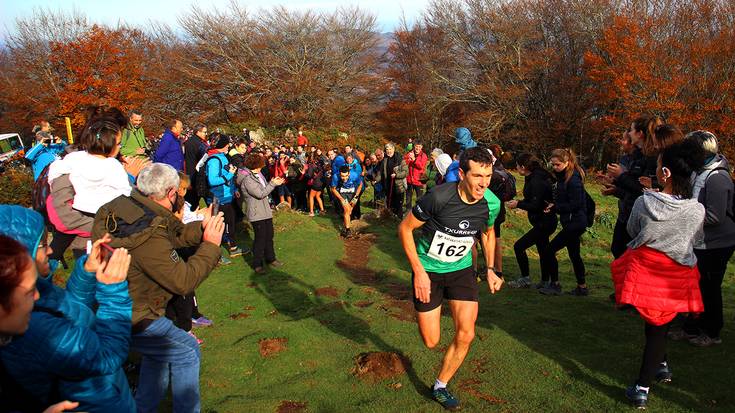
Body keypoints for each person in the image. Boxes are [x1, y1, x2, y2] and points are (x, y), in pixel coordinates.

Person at [92, 163, 225, 413]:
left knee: (159, 356)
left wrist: (201, 229)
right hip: (138, 313)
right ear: (172, 192)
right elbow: (183, 281)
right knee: (187, 351)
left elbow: (171, 234)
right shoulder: (149, 235)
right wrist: (211, 246)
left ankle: (144, 408)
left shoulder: (123, 207)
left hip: (114, 303)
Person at [0, 205, 134, 412]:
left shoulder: (37, 294)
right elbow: (107, 354)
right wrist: (113, 293)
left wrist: (87, 272)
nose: (52, 249)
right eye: (43, 245)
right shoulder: (36, 329)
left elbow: (71, 311)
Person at [398, 147, 502, 411]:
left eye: (488, 176)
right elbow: (405, 228)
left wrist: (490, 269)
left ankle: (440, 385)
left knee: (466, 334)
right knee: (431, 341)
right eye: (478, 176)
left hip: (461, 270)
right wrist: (419, 272)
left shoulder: (491, 202)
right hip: (429, 271)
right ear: (462, 174)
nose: (484, 183)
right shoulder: (439, 197)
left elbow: (488, 233)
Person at [611, 139, 705, 409]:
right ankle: (661, 364)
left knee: (655, 328)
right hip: (677, 274)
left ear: (665, 173)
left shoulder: (645, 202)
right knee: (659, 324)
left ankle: (642, 386)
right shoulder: (696, 210)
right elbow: (696, 240)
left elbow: (632, 229)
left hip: (649, 270)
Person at [675, 131, 735, 347]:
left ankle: (712, 331)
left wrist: (684, 216)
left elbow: (715, 216)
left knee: (709, 288)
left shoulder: (717, 177)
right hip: (700, 240)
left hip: (716, 243)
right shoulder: (698, 172)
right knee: (695, 286)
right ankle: (691, 328)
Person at [604, 116, 662, 258]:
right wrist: (616, 184)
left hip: (640, 215)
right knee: (618, 250)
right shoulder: (638, 155)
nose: (629, 134)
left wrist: (621, 176)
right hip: (628, 212)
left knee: (626, 254)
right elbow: (634, 184)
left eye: (631, 130)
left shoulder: (652, 158)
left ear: (640, 134)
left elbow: (643, 189)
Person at [540, 148, 589, 296]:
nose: (554, 168)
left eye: (557, 165)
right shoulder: (564, 177)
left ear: (567, 163)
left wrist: (556, 208)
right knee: (574, 254)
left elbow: (576, 204)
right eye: (553, 165)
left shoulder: (573, 180)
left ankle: (555, 284)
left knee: (549, 250)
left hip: (575, 222)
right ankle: (582, 287)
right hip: (571, 221)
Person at [506, 153, 557, 289]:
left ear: (523, 167)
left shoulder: (536, 181)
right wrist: (520, 202)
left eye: (517, 166)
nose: (516, 168)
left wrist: (518, 204)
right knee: (543, 250)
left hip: (544, 222)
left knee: (519, 246)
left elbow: (536, 205)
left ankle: (526, 278)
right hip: (543, 221)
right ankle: (546, 281)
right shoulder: (535, 176)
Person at [237, 153, 286, 274]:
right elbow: (260, 193)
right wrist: (273, 184)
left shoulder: (258, 175)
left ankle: (271, 258)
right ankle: (257, 264)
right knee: (260, 238)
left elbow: (265, 189)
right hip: (256, 212)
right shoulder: (248, 180)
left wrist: (273, 182)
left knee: (269, 236)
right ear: (256, 165)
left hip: (265, 210)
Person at [207, 135, 242, 257]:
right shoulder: (214, 160)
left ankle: (233, 248)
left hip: (227, 196)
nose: (229, 146)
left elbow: (227, 173)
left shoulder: (223, 157)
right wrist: (229, 175)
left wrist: (234, 189)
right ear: (222, 145)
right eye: (227, 144)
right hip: (217, 198)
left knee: (231, 222)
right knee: (217, 226)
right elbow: (212, 180)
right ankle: (216, 254)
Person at [374, 143, 408, 217]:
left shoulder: (400, 159)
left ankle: (399, 218)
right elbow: (381, 172)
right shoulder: (385, 159)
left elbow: (405, 172)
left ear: (393, 149)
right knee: (390, 202)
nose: (388, 151)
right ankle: (391, 218)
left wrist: (396, 175)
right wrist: (376, 180)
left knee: (398, 204)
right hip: (388, 185)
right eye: (387, 149)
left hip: (398, 186)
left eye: (390, 149)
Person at [331, 165, 364, 237]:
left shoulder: (354, 175)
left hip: (353, 194)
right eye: (342, 176)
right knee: (346, 209)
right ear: (340, 174)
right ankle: (348, 230)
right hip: (342, 194)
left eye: (346, 176)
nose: (344, 178)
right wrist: (342, 200)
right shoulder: (335, 176)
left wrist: (356, 196)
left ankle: (346, 223)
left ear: (349, 173)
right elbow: (333, 189)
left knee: (350, 210)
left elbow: (360, 184)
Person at [184, 123, 209, 210]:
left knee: (192, 199)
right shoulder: (199, 144)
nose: (206, 134)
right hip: (195, 173)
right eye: (204, 132)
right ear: (198, 132)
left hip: (190, 172)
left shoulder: (189, 142)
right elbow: (203, 157)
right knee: (195, 199)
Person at [405, 141, 428, 209]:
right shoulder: (410, 153)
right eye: (416, 146)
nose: (417, 148)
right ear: (414, 146)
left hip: (419, 181)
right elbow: (404, 162)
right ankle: (408, 211)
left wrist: (414, 159)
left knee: (419, 198)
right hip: (409, 180)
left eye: (419, 147)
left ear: (421, 147)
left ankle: (418, 212)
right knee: (408, 197)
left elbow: (421, 166)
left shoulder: (423, 155)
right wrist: (408, 159)